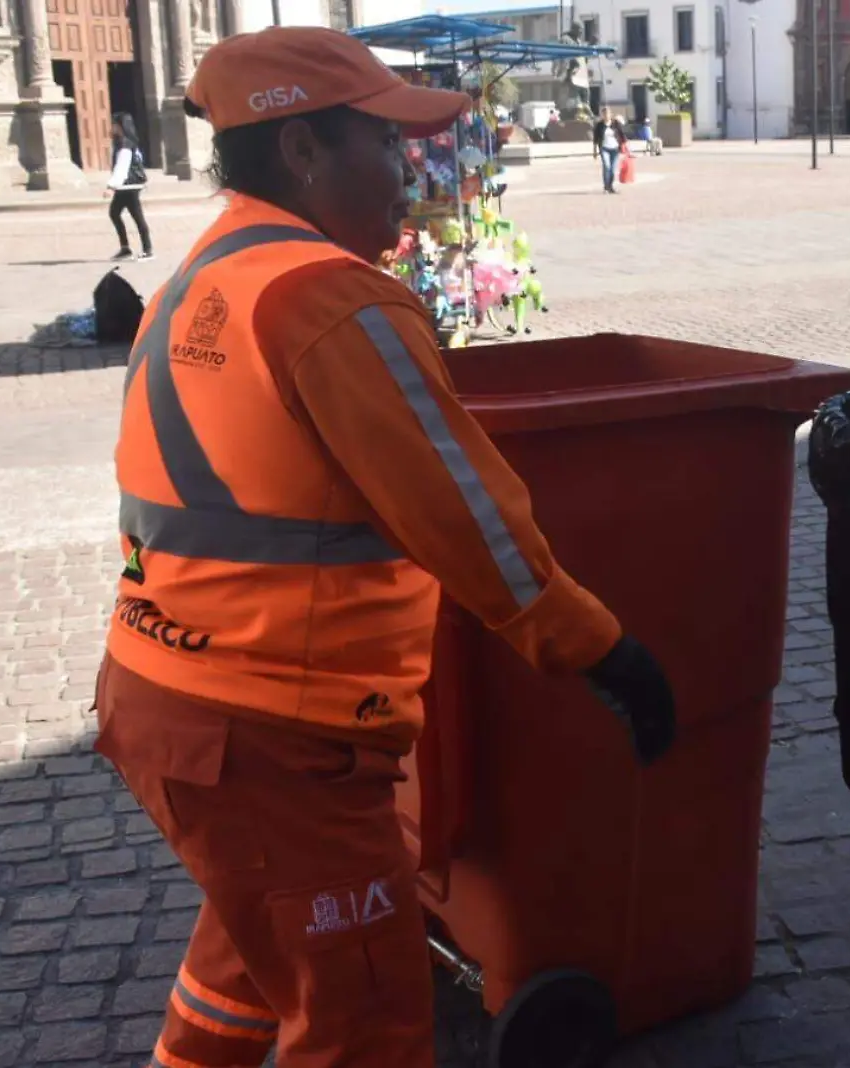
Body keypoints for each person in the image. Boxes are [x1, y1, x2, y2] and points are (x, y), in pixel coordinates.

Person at [96, 27, 677, 1068]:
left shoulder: (205, 273)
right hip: (275, 731)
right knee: (364, 1022)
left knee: (249, 957)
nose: (408, 169)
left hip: (166, 697)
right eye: (383, 143)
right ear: (305, 152)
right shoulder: (329, 296)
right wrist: (599, 648)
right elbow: (467, 518)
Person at [105, 112, 152, 261]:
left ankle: (147, 250)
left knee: (137, 217)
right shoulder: (128, 142)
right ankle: (125, 248)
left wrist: (111, 186)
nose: (111, 127)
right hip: (128, 185)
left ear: (120, 126)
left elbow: (122, 167)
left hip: (128, 186)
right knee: (114, 213)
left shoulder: (125, 145)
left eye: (114, 124)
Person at [592, 108, 626, 193]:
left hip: (615, 149)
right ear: (602, 115)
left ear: (610, 114)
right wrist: (595, 151)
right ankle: (606, 187)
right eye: (604, 114)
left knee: (612, 169)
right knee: (607, 166)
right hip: (604, 148)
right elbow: (595, 139)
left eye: (607, 114)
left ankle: (610, 186)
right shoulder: (599, 125)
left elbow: (622, 135)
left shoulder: (615, 124)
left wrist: (625, 147)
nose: (606, 116)